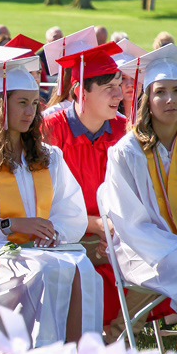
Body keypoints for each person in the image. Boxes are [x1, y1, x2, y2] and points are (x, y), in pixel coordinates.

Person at [0, 62, 102, 348]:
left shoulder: (48, 156)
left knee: (82, 268)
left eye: (35, 104)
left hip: (41, 251)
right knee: (44, 270)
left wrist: (53, 232)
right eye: (22, 103)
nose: (30, 112)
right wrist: (9, 226)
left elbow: (70, 211)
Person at [103, 45, 177, 354]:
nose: (170, 100)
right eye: (160, 92)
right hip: (145, 251)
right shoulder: (126, 153)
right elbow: (130, 224)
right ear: (147, 99)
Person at [43, 43, 130, 333]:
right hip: (63, 236)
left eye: (119, 85)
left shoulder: (124, 131)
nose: (119, 95)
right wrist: (94, 225)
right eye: (109, 88)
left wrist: (116, 230)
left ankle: (114, 338)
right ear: (81, 91)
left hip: (112, 234)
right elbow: (41, 200)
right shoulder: (49, 130)